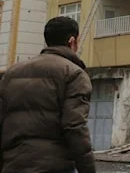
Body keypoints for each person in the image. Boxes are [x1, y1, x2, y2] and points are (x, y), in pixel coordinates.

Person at [0, 16, 96, 173]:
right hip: (54, 166)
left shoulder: (11, 73)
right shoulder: (74, 74)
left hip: (13, 165)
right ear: (72, 41)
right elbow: (74, 127)